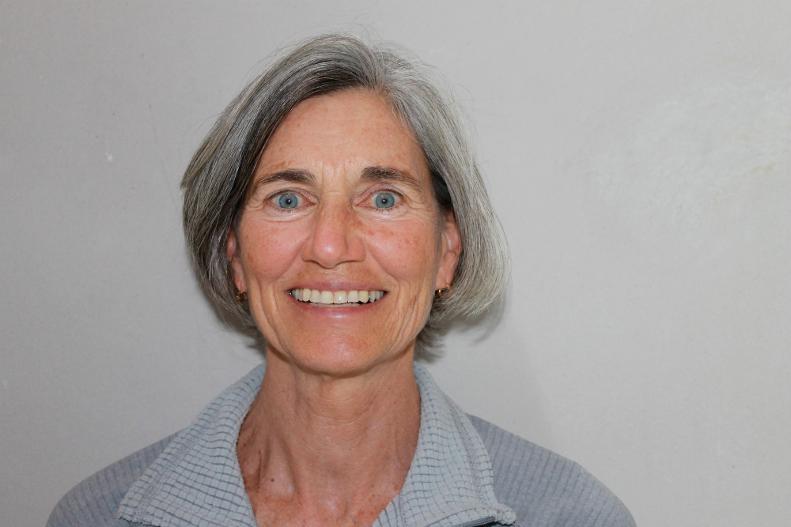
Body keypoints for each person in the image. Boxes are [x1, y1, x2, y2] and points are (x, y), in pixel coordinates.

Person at [47, 34, 635, 527]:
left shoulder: (572, 516)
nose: (331, 246)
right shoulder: (94, 516)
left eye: (383, 198)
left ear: (447, 251)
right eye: (288, 198)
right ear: (234, 255)